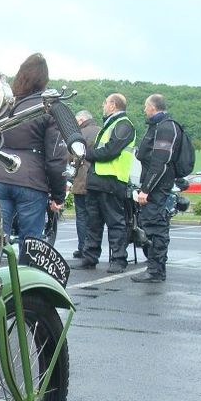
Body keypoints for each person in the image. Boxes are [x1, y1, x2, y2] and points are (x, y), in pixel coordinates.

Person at [0, 53, 67, 255]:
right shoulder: (47, 107)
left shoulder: (3, 105)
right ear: (44, 79)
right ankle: (27, 283)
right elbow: (55, 158)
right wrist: (58, 194)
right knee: (31, 242)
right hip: (31, 180)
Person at [76, 94, 136, 273]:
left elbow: (111, 150)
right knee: (93, 222)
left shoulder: (124, 124)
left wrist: (88, 154)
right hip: (97, 180)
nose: (103, 106)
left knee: (115, 222)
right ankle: (89, 257)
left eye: (105, 103)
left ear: (113, 105)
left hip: (112, 180)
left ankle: (119, 259)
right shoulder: (111, 124)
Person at [130, 94, 182, 283]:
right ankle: (154, 268)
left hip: (158, 186)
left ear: (152, 107)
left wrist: (146, 189)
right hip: (154, 184)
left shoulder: (166, 127)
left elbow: (160, 162)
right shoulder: (158, 126)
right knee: (149, 225)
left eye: (146, 106)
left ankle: (156, 270)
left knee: (155, 226)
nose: (144, 109)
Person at [70, 110, 99, 259]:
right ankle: (94, 249)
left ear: (81, 120)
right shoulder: (102, 131)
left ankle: (83, 248)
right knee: (95, 218)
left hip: (81, 180)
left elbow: (69, 155)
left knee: (81, 216)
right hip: (98, 180)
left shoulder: (79, 134)